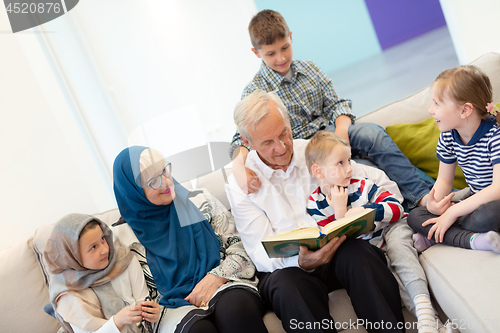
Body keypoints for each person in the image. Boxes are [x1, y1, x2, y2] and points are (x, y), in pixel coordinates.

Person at [225, 89, 405, 332]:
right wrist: (302, 261)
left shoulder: (314, 152)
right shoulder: (241, 183)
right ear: (247, 143)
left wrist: (363, 214)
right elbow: (260, 252)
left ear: (289, 124)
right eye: (267, 142)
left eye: (284, 134)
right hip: (287, 269)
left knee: (358, 252)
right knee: (287, 285)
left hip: (339, 253)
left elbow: (385, 186)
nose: (280, 148)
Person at [229, 9, 432, 209]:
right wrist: (239, 169)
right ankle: (414, 207)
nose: (281, 58)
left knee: (374, 134)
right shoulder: (254, 92)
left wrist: (341, 134)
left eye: (285, 48)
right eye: (271, 53)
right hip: (306, 150)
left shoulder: (310, 69)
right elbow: (241, 139)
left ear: (291, 38)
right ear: (256, 53)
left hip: (331, 132)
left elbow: (337, 104)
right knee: (366, 171)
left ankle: (424, 195)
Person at [112, 146, 268, 333]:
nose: (166, 182)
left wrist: (216, 276)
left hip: (224, 284)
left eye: (164, 171)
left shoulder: (200, 200)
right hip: (171, 310)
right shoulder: (123, 240)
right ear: (133, 191)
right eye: (153, 181)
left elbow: (240, 246)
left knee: (236, 310)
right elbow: (136, 300)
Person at [305, 131, 448, 333]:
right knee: (394, 279)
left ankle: (426, 313)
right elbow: (334, 239)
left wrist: (366, 211)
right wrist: (340, 212)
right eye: (340, 163)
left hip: (392, 230)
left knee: (400, 252)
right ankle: (434, 324)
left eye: (349, 161)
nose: (348, 168)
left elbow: (397, 209)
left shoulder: (362, 185)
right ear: (318, 171)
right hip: (373, 250)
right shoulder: (315, 205)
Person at [408, 65, 500, 253]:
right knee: (415, 216)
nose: (430, 110)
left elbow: (497, 189)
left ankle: (439, 235)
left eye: (437, 104)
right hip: (474, 199)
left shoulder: (495, 137)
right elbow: (444, 180)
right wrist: (436, 204)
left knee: (489, 215)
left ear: (465, 110)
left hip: (494, 201)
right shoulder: (449, 135)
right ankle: (467, 237)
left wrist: (452, 212)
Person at [44, 213, 161, 333]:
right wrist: (117, 321)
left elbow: (144, 302)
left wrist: (152, 315)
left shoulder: (123, 260)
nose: (105, 250)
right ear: (72, 256)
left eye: (102, 239)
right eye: (93, 247)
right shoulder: (66, 293)